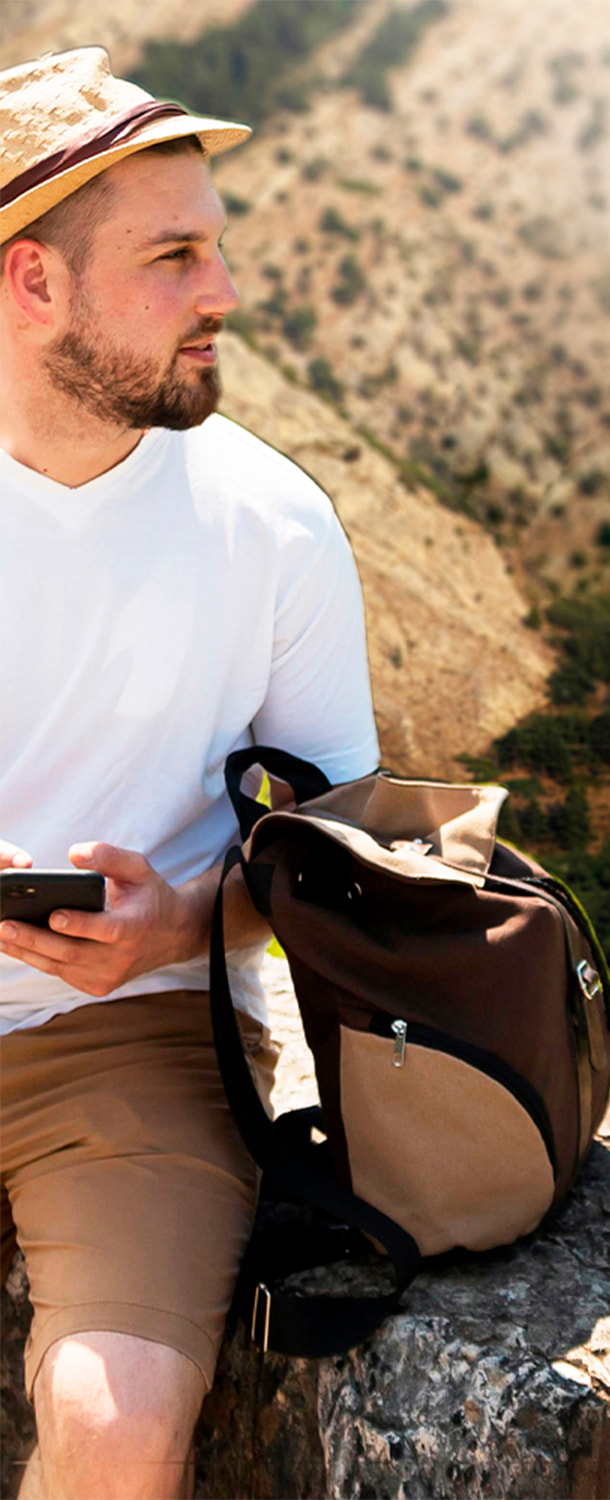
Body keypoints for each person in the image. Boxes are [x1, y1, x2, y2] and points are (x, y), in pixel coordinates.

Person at [0, 48, 379, 1499]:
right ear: (36, 283)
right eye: (174, 257)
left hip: (132, 1042)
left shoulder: (273, 526)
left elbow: (352, 858)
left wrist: (182, 923)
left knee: (116, 1424)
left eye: (215, 249)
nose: (223, 292)